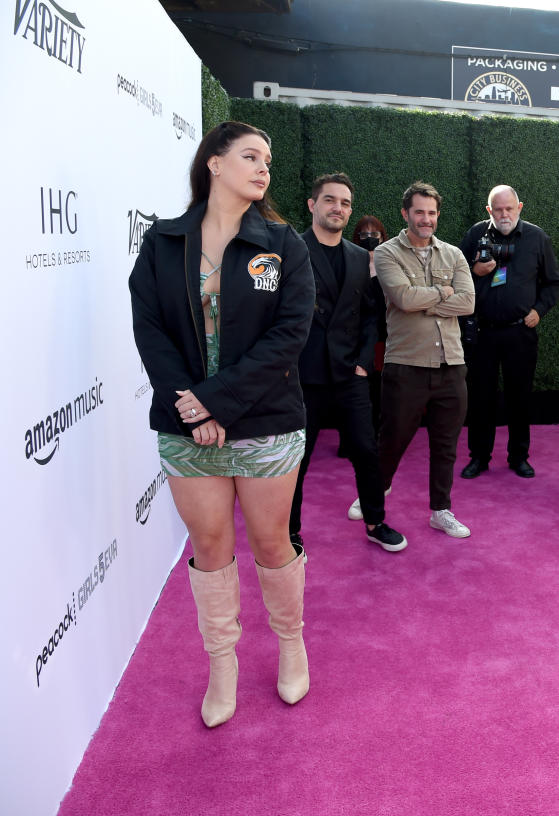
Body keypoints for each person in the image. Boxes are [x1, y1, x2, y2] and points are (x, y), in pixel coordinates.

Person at [128, 121, 314, 727]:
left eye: (269, 159)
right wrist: (191, 406)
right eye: (250, 156)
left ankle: (291, 643)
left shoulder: (284, 243)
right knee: (210, 548)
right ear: (213, 162)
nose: (264, 168)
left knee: (270, 542)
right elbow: (150, 330)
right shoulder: (161, 243)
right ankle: (222, 664)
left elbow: (289, 336)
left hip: (265, 423)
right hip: (186, 428)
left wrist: (217, 404)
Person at [289, 174, 406, 553]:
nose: (337, 208)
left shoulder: (360, 258)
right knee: (297, 460)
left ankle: (375, 521)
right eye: (329, 200)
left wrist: (361, 362)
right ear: (312, 205)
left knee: (366, 451)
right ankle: (288, 533)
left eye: (344, 203)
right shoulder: (293, 250)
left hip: (350, 374)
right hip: (303, 375)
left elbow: (371, 315)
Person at [374, 181, 475, 539]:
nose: (426, 219)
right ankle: (374, 495)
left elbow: (468, 303)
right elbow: (401, 297)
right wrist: (442, 293)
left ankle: (441, 510)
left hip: (452, 364)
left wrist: (425, 300)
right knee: (392, 439)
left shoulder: (454, 254)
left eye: (432, 213)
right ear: (405, 213)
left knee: (446, 445)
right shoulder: (386, 253)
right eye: (419, 212)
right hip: (406, 365)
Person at [458, 185, 559, 479]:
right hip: (483, 332)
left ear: (520, 207)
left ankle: (519, 456)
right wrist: (472, 269)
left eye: (509, 208)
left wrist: (538, 310)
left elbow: (553, 283)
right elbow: (453, 274)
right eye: (498, 209)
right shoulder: (474, 235)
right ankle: (479, 457)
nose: (504, 214)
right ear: (489, 210)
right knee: (480, 398)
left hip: (520, 333)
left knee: (520, 397)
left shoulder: (537, 238)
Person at [351, 215, 389, 439]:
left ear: (383, 237)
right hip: (359, 336)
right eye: (363, 234)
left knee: (382, 387)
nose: (369, 238)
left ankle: (380, 434)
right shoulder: (352, 261)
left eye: (374, 234)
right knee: (359, 386)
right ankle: (356, 435)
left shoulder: (390, 262)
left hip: (386, 335)